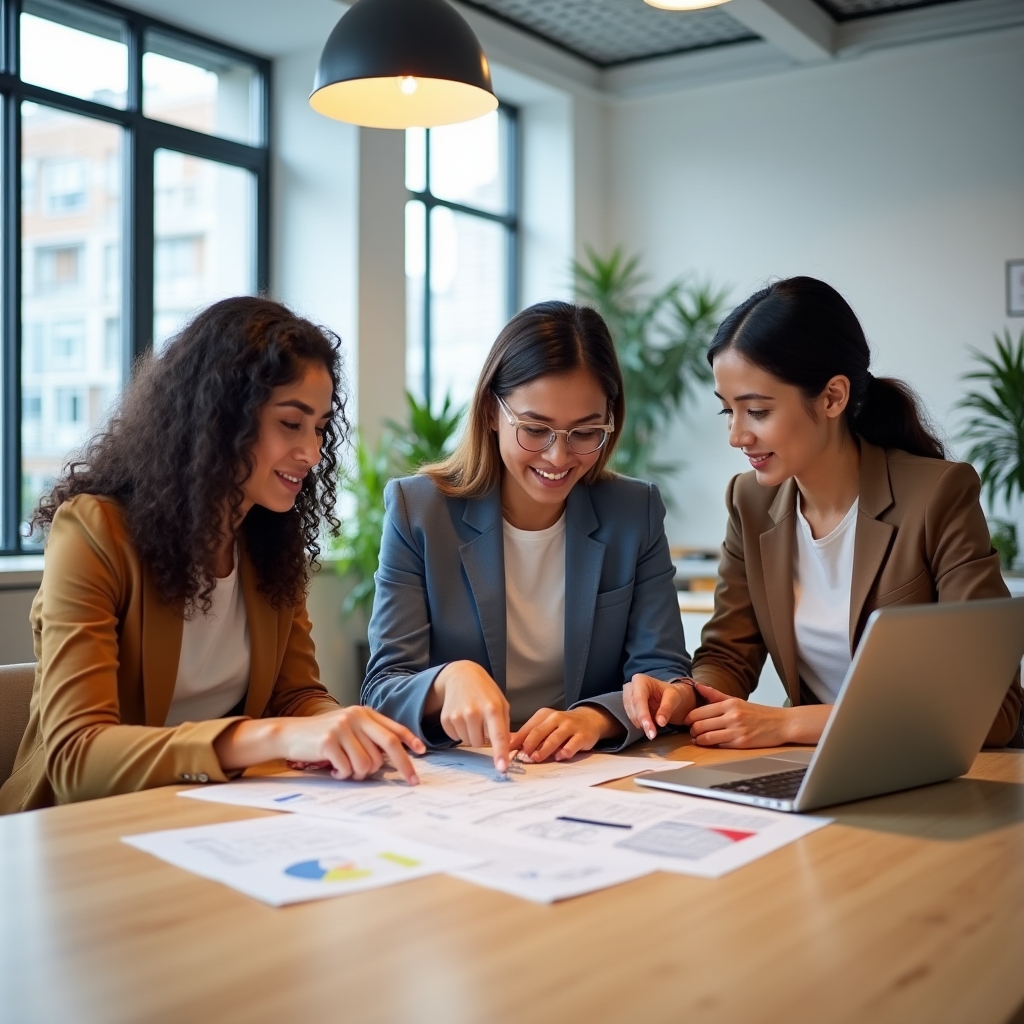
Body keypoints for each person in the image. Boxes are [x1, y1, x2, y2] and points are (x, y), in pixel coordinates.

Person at [0, 297, 423, 814]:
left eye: (319, 428)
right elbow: (77, 756)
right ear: (220, 419)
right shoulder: (95, 532)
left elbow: (295, 697)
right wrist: (269, 738)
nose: (312, 453)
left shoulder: (269, 542)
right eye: (291, 424)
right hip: (77, 831)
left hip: (204, 816)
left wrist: (341, 727)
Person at [623, 276, 1022, 749]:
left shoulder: (937, 494)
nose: (736, 436)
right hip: (817, 771)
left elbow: (992, 706)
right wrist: (681, 695)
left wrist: (791, 723)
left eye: (757, 411)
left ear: (833, 396)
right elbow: (729, 657)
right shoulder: (749, 501)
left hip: (937, 772)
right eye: (726, 411)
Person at [362, 300, 691, 772]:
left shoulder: (633, 512)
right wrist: (447, 681)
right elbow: (383, 688)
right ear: (492, 412)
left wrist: (598, 718)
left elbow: (666, 676)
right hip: (462, 778)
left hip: (587, 771)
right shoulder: (421, 511)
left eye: (584, 432)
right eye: (535, 429)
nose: (559, 457)